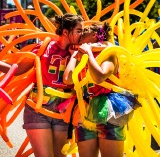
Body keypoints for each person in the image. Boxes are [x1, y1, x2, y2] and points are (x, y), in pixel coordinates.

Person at [0, 13, 84, 157]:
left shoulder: (80, 52)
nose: (82, 35)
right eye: (79, 31)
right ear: (65, 32)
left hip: (64, 112)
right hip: (38, 109)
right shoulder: (44, 47)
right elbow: (18, 70)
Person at [63, 22, 140, 157]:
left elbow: (99, 77)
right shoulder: (82, 54)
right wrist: (75, 54)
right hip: (84, 110)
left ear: (94, 35)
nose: (80, 34)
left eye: (84, 30)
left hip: (109, 111)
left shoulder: (108, 53)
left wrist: (89, 54)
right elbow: (68, 79)